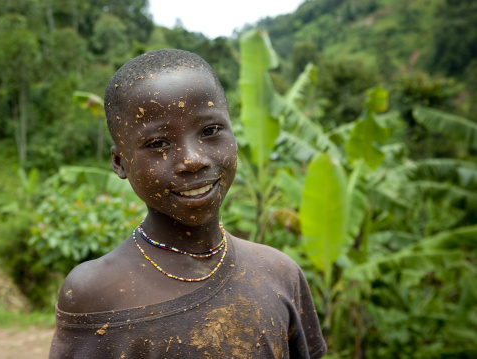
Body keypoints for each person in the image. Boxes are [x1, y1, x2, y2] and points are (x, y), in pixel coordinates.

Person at [49, 49, 327, 358]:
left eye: (210, 131)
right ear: (119, 162)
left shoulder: (279, 273)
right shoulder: (95, 293)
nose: (192, 160)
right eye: (158, 144)